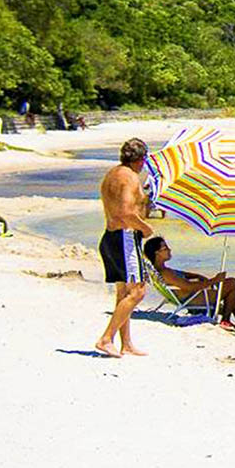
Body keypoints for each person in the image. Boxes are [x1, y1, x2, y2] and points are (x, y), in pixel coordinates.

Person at [94, 138, 155, 358]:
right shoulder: (129, 178)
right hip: (125, 238)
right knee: (138, 291)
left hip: (111, 237)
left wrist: (146, 198)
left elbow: (119, 206)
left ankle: (126, 343)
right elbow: (126, 213)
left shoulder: (113, 174)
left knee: (123, 293)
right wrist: (146, 229)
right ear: (141, 159)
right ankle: (106, 338)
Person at [142, 236, 235, 329]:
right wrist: (214, 280)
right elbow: (189, 287)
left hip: (189, 297)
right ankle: (226, 320)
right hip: (193, 299)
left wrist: (198, 276)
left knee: (231, 298)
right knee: (233, 283)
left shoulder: (162, 270)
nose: (169, 250)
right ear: (157, 253)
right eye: (165, 248)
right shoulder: (165, 273)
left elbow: (184, 275)